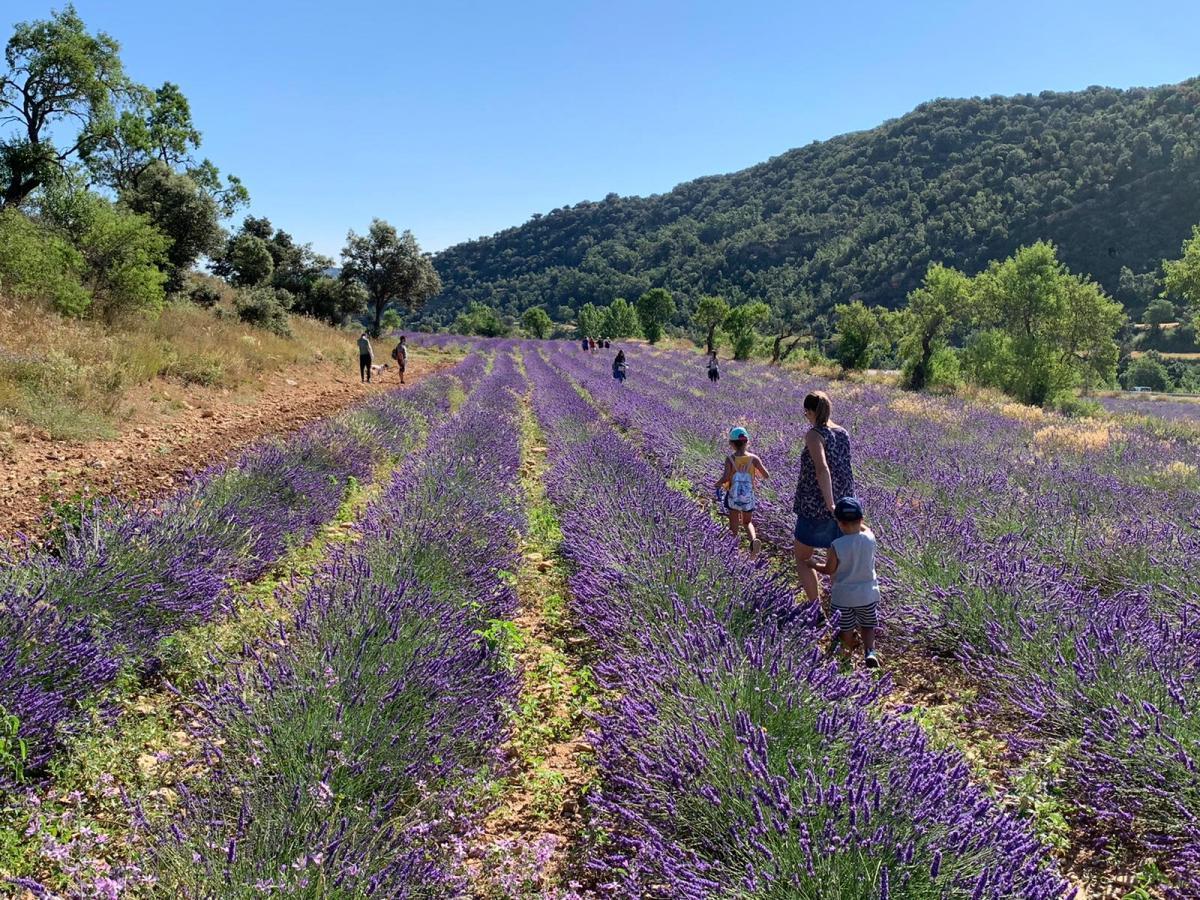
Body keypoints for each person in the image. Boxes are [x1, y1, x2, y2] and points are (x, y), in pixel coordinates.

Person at [793, 390, 855, 601]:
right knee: (835, 565)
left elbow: (823, 469)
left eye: (806, 413)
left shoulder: (814, 434)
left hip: (816, 506)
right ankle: (842, 617)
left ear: (810, 412)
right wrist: (841, 507)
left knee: (802, 558)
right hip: (845, 506)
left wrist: (830, 506)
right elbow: (845, 469)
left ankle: (815, 610)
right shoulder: (843, 432)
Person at [804, 497, 880, 668]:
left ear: (839, 523)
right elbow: (865, 528)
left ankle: (846, 658)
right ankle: (870, 652)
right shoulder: (870, 538)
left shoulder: (836, 545)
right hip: (867, 594)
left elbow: (829, 569)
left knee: (846, 629)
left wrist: (812, 564)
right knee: (868, 627)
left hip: (843, 596)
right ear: (861, 519)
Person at [715, 426, 769, 559]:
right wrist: (755, 472)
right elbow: (766, 475)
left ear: (731, 444)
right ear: (747, 442)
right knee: (747, 522)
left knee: (734, 524)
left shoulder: (730, 459)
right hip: (748, 496)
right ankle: (753, 541)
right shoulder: (754, 458)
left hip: (733, 496)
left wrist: (717, 483)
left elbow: (726, 477)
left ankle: (733, 551)